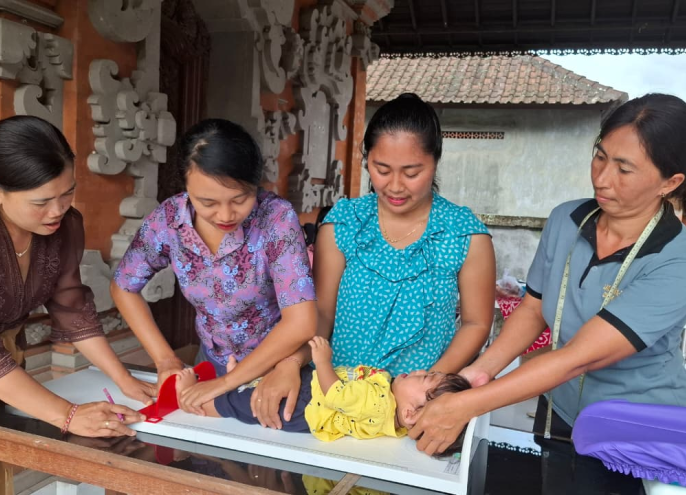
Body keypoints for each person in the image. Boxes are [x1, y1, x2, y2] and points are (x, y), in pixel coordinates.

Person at [408, 93, 686, 454]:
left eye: (624, 169)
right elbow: (533, 310)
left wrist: (469, 404)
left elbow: (577, 358)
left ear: (669, 182)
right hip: (562, 409)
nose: (602, 178)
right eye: (599, 157)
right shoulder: (566, 220)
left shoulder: (678, 263)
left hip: (641, 426)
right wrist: (479, 372)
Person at [0, 116, 149, 494]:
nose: (57, 210)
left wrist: (125, 378)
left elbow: (72, 308)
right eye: (41, 201)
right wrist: (69, 415)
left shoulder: (64, 228)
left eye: (67, 193)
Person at [250, 93, 496, 429]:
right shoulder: (345, 223)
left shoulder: (465, 234)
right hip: (335, 400)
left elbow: (475, 323)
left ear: (435, 161)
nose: (395, 186)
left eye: (412, 172)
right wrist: (291, 363)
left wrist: (434, 390)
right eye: (382, 170)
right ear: (367, 161)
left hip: (417, 412)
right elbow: (321, 313)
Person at [111, 118, 317, 416]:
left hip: (278, 366)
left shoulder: (276, 218)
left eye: (240, 199)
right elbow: (123, 287)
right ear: (185, 186)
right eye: (207, 202)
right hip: (210, 363)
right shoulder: (169, 220)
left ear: (255, 184)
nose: (225, 214)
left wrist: (226, 385)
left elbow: (301, 323)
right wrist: (165, 360)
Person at [174, 336, 470, 455]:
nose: (419, 370)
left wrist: (323, 360)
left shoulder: (380, 405)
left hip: (306, 404)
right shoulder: (387, 403)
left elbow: (337, 395)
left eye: (424, 378)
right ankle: (240, 377)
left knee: (247, 407)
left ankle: (195, 401)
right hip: (310, 391)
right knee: (266, 383)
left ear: (410, 413)